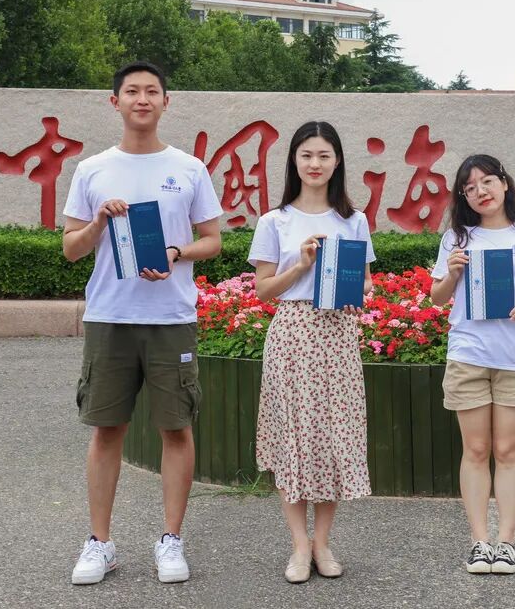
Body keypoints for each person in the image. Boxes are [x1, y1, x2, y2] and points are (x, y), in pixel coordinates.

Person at [63, 60, 223, 585]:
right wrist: (98, 222)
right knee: (107, 428)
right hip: (110, 315)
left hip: (171, 316)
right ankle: (99, 542)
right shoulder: (92, 170)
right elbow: (70, 249)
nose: (142, 99)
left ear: (165, 102)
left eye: (152, 91)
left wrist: (177, 252)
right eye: (131, 91)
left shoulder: (189, 169)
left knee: (176, 427)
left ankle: (171, 539)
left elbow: (213, 241)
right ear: (115, 102)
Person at [248, 121, 375, 584]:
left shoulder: (353, 220)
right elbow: (263, 290)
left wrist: (358, 291)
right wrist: (302, 265)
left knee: (332, 436)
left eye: (324, 155)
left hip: (337, 334)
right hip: (293, 332)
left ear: (337, 161)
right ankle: (299, 546)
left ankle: (322, 543)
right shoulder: (275, 221)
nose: (315, 164)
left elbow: (366, 282)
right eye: (306, 155)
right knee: (293, 438)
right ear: (294, 161)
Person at [430, 154, 515, 575]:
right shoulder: (457, 238)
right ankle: (479, 542)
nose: (480, 191)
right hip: (468, 355)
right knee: (475, 449)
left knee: (507, 450)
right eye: (470, 187)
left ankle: (506, 542)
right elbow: (437, 297)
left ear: (504, 183)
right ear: (463, 197)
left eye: (487, 181)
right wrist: (452, 273)